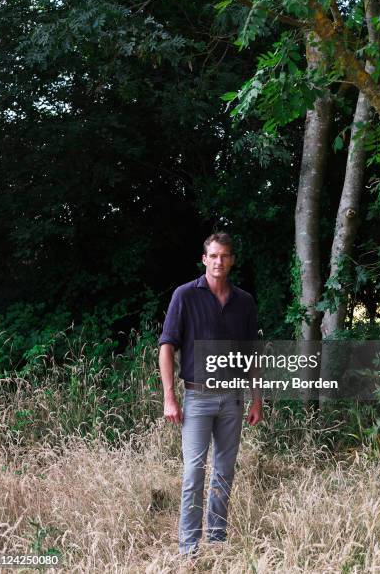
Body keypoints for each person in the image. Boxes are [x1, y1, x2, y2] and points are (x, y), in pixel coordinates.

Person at [158, 232, 263, 556]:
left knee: (224, 471)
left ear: (231, 260)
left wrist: (257, 398)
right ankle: (189, 549)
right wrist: (169, 397)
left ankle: (216, 540)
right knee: (193, 473)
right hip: (198, 398)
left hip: (233, 399)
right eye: (213, 256)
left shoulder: (243, 301)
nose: (219, 261)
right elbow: (166, 347)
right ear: (204, 259)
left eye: (225, 256)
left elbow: (252, 355)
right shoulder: (185, 295)